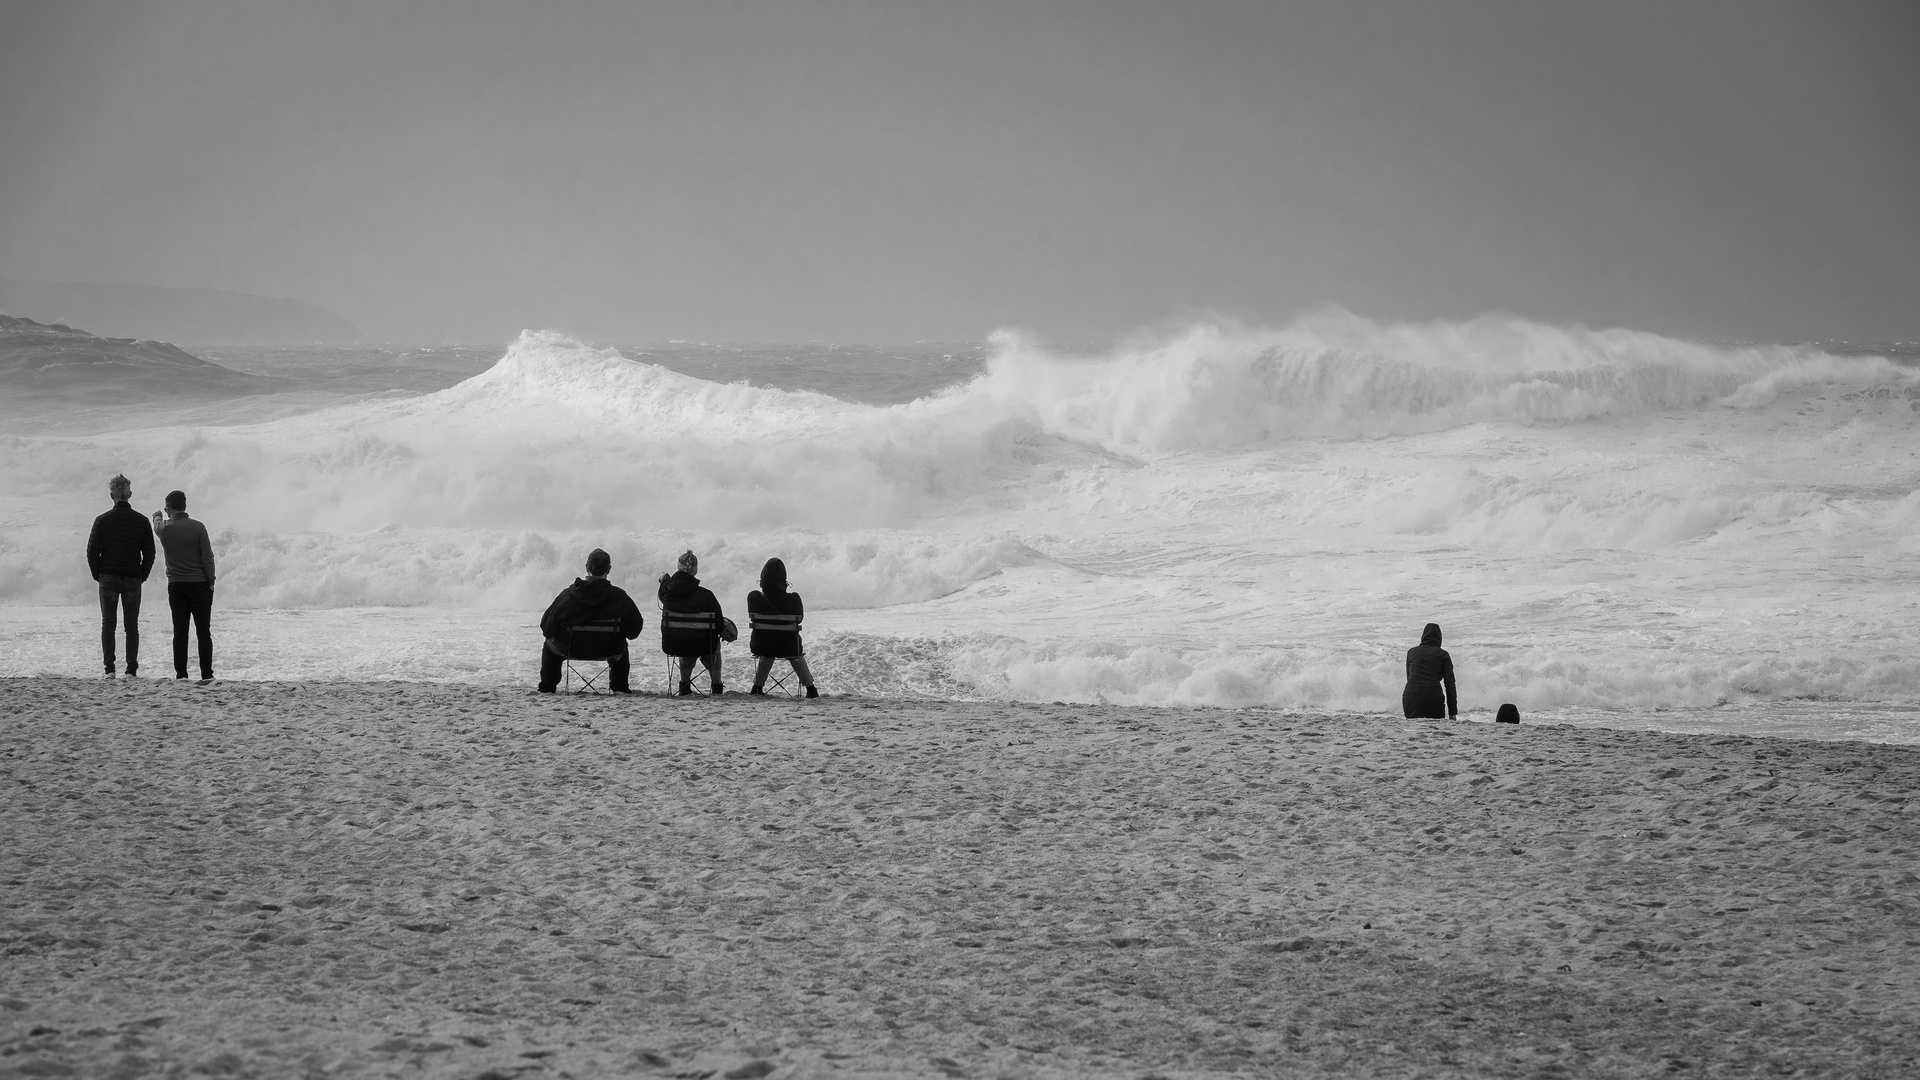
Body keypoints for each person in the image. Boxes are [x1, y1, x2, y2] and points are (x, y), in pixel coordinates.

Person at [538, 548, 644, 693]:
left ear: (586, 567)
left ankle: (547, 687)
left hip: (571, 648)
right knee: (622, 648)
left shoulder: (567, 595)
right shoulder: (619, 597)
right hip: (609, 649)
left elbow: (547, 628)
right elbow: (634, 631)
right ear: (609, 569)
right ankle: (620, 687)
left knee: (549, 646)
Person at [86, 474, 155, 678]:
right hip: (133, 576)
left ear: (111, 496)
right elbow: (150, 553)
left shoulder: (102, 520)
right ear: (130, 494)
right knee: (131, 625)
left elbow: (91, 551)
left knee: (108, 623)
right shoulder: (142, 521)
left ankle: (109, 669)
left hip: (108, 575)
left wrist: (97, 574)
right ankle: (131, 670)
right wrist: (142, 574)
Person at [151, 490, 216, 683]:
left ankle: (181, 675)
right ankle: (207, 674)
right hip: (200, 584)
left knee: (180, 631)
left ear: (169, 508)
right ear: (185, 506)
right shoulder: (198, 527)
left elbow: (155, 524)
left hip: (177, 585)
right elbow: (207, 557)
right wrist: (211, 580)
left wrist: (157, 514)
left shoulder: (164, 527)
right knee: (203, 631)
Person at [658, 550, 727, 695]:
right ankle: (717, 685)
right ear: (695, 570)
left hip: (675, 644)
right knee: (709, 641)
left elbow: (664, 588)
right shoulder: (706, 595)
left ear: (678, 567)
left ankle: (684, 685)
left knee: (685, 637)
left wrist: (665, 580)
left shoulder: (666, 594)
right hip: (704, 645)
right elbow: (719, 625)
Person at [746, 557, 818, 698]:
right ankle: (811, 689)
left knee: (770, 645)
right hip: (790, 647)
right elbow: (800, 619)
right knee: (790, 650)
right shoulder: (793, 599)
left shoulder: (754, 598)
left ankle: (757, 687)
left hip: (761, 645)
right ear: (784, 580)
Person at [1402, 622, 1457, 719]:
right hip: (1432, 697)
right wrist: (1452, 712)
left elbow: (1409, 677)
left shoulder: (1411, 652)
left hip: (1411, 696)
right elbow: (1450, 684)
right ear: (1439, 638)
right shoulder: (1443, 654)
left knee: (1413, 730)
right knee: (1436, 730)